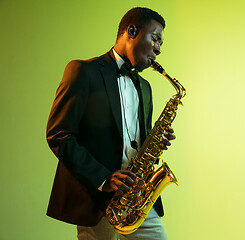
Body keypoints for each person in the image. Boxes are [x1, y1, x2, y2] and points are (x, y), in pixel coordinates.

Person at [46, 7, 175, 240]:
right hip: (97, 198)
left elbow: (135, 142)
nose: (158, 49)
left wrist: (155, 143)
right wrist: (103, 179)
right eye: (155, 39)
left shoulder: (145, 87)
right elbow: (59, 134)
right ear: (132, 30)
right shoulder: (82, 71)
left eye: (161, 45)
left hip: (137, 196)